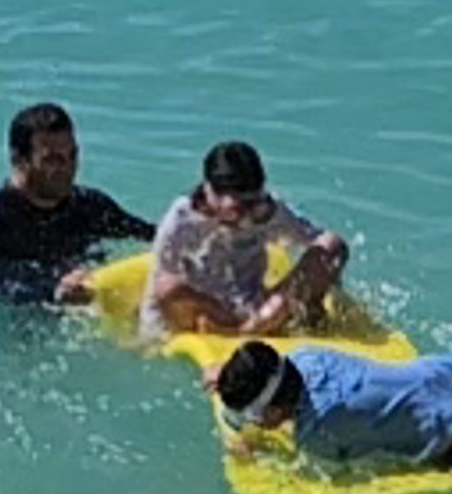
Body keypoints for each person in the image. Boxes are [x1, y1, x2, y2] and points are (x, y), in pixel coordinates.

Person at [139, 136, 348, 345]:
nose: (245, 218)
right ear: (209, 192)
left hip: (258, 311)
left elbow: (322, 244)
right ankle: (241, 329)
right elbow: (158, 290)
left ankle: (251, 328)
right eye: (236, 210)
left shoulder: (267, 212)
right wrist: (151, 339)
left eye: (253, 205)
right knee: (167, 286)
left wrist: (320, 295)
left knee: (333, 244)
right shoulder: (182, 220)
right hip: (208, 316)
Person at [212, 334, 452, 478]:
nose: (253, 422)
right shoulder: (304, 356)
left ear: (274, 410)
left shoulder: (319, 432)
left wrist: (262, 454)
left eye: (251, 415)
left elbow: (345, 474)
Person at [0, 95, 148, 294]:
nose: (67, 168)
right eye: (52, 160)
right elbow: (3, 286)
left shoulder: (89, 206)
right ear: (19, 160)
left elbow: (152, 235)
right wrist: (56, 288)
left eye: (72, 155)